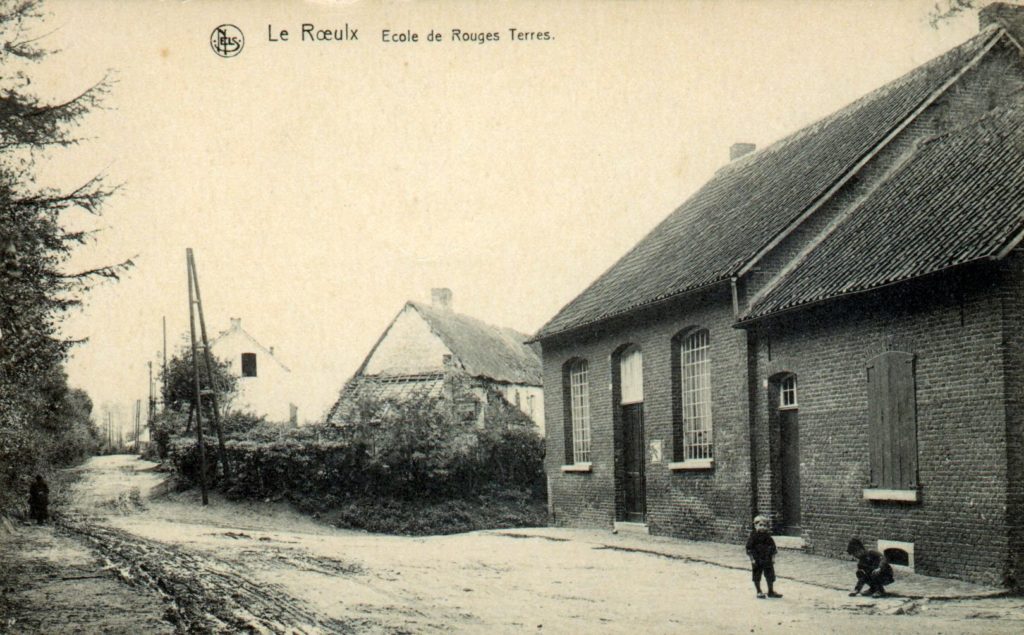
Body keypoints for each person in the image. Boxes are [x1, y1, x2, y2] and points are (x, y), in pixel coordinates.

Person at [746, 514, 782, 599]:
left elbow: (773, 548)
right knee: (757, 575)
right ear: (755, 525)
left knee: (770, 575)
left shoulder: (768, 537)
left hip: (767, 559)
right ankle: (759, 591)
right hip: (757, 560)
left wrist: (773, 558)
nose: (762, 527)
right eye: (760, 525)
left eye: (765, 526)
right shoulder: (753, 537)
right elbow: (749, 549)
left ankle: (770, 591)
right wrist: (752, 559)